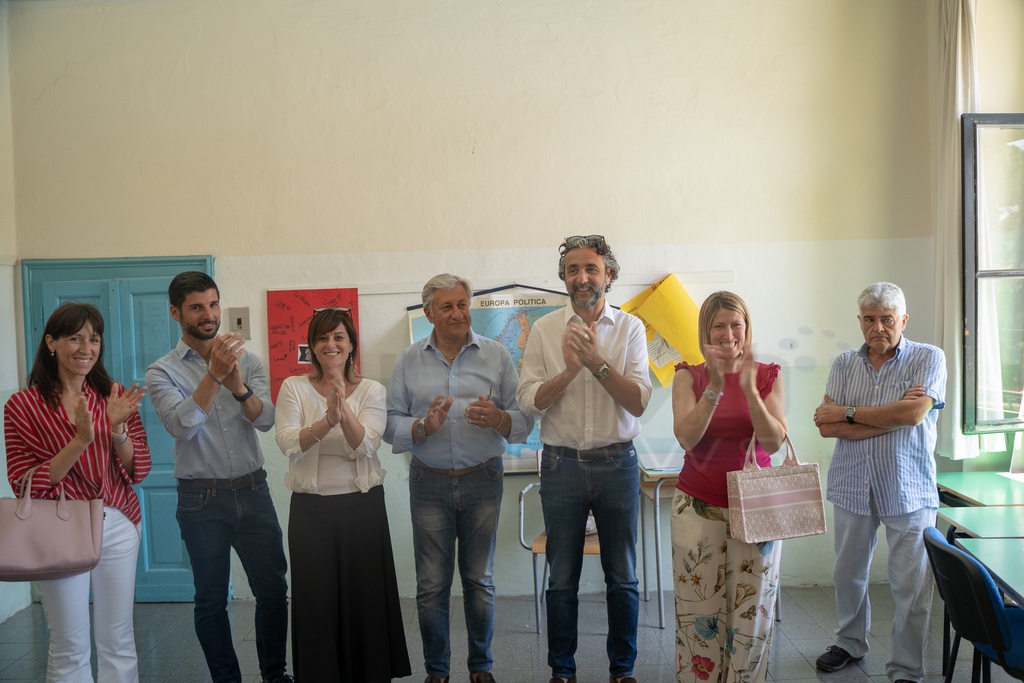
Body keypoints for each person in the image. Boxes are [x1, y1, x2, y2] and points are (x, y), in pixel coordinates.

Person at [384, 273, 534, 683]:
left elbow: (524, 422)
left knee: (479, 580)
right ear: (429, 312)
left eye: (463, 304)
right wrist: (422, 427)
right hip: (428, 481)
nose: (457, 313)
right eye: (447, 306)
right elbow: (389, 423)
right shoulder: (408, 359)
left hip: (483, 478)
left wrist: (499, 418)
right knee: (432, 584)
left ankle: (481, 666)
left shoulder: (497, 355)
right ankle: (437, 671)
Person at [516, 235, 652, 683]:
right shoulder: (544, 330)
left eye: (591, 268)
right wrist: (569, 372)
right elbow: (528, 401)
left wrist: (596, 363)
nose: (582, 277)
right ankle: (562, 671)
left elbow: (638, 402)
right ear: (564, 278)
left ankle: (622, 671)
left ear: (608, 275)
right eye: (572, 269)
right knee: (561, 579)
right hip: (561, 466)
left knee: (623, 576)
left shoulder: (630, 329)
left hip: (618, 464)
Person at [145, 272, 292, 683]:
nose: (208, 314)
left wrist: (238, 386)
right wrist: (213, 376)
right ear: (175, 312)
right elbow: (181, 426)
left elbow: (265, 421)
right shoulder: (161, 372)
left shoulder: (248, 360)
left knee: (273, 591)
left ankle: (275, 675)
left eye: (213, 304)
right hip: (201, 500)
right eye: (196, 307)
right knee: (211, 600)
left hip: (253, 490)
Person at [4, 302, 150, 682]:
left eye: (94, 339)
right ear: (51, 342)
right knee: (69, 644)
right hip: (59, 527)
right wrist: (80, 441)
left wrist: (117, 430)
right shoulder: (22, 405)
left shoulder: (113, 395)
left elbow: (139, 469)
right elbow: (22, 481)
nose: (86, 348)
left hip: (118, 522)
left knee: (119, 638)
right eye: (75, 338)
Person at [812, 282, 946, 683]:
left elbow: (914, 415)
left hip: (909, 488)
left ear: (903, 320)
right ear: (860, 321)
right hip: (852, 484)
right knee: (847, 574)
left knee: (911, 586)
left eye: (887, 319)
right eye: (869, 319)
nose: (878, 328)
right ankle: (849, 643)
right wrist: (893, 415)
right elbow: (826, 426)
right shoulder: (844, 364)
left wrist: (850, 412)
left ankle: (906, 668)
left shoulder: (928, 357)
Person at [274, 307, 411, 681]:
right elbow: (288, 443)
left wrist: (342, 406)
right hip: (311, 512)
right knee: (316, 600)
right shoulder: (294, 387)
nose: (330, 345)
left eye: (338, 337)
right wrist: (326, 422)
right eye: (322, 338)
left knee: (364, 597)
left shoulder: (372, 390)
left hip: (362, 508)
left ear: (351, 345)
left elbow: (366, 446)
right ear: (312, 347)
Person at [669, 291, 787, 683]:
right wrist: (716, 387)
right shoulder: (688, 376)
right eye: (718, 325)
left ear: (747, 328)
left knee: (752, 612)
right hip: (697, 506)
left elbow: (774, 442)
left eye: (736, 324)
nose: (728, 333)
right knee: (699, 611)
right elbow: (687, 437)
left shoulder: (768, 375)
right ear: (705, 331)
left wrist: (750, 391)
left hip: (757, 507)